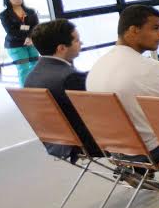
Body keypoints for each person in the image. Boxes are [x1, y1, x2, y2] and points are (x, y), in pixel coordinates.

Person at [86, 5, 159, 190]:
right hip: (149, 150)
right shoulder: (148, 68)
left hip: (116, 150)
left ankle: (139, 172)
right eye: (155, 28)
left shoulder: (97, 66)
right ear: (134, 30)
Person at [23, 19, 103, 161]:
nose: (81, 43)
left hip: (57, 142)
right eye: (77, 40)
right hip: (87, 142)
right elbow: (96, 112)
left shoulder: (31, 77)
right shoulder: (70, 78)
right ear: (61, 48)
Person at [1, 0, 40, 85]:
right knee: (24, 69)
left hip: (31, 42)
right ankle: (25, 91)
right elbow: (11, 30)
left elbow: (36, 26)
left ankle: (37, 89)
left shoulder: (30, 11)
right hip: (15, 45)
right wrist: (26, 34)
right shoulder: (5, 14)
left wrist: (29, 37)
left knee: (36, 67)